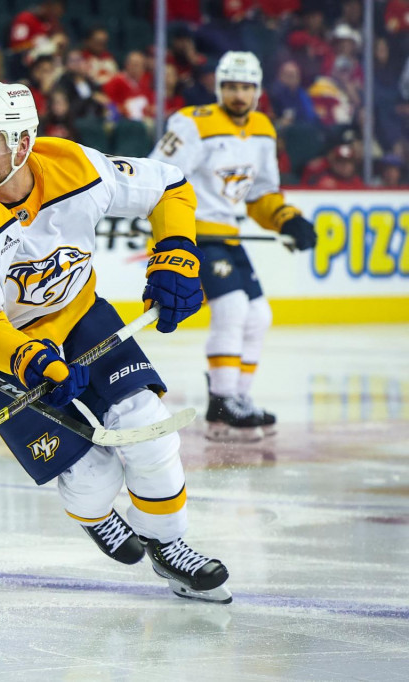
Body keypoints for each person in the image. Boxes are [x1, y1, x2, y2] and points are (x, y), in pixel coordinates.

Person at [0, 81, 231, 603]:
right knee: (92, 477)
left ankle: (168, 543)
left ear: (22, 143)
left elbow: (170, 185)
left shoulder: (76, 167)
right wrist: (27, 358)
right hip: (5, 350)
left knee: (148, 428)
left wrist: (176, 251)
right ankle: (94, 515)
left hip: (80, 315)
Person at [149, 52, 317, 442]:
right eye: (230, 86)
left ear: (257, 90)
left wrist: (286, 218)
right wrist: (170, 236)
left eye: (245, 87)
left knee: (260, 315)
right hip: (195, 236)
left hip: (228, 234)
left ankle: (239, 398)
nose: (238, 94)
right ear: (219, 87)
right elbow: (157, 177)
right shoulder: (193, 123)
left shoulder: (262, 129)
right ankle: (222, 400)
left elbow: (260, 194)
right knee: (233, 308)